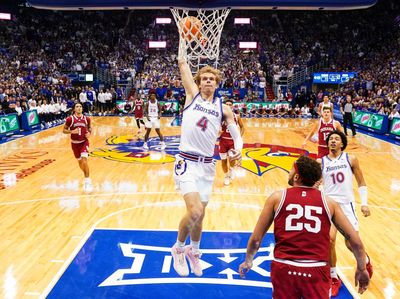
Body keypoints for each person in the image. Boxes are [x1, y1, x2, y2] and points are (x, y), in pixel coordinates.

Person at [238, 155, 370, 299]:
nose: (289, 173)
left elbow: (256, 239)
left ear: (296, 177)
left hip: (284, 268)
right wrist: (362, 268)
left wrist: (249, 260)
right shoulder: (329, 203)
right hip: (316, 269)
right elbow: (355, 241)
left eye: (290, 170)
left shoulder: (276, 198)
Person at [171, 57, 243, 277]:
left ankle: (195, 251)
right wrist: (182, 57)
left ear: (217, 83)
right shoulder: (192, 97)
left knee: (200, 217)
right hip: (186, 163)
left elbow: (234, 129)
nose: (209, 82)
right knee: (195, 210)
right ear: (199, 83)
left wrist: (239, 148)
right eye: (205, 79)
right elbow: (183, 68)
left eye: (212, 79)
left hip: (207, 166)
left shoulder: (224, 108)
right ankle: (178, 248)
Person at [319, 130, 373, 296]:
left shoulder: (351, 159)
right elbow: (317, 184)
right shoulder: (320, 162)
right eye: (330, 139)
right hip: (329, 205)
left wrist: (364, 203)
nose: (333, 141)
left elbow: (361, 182)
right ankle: (333, 277)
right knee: (329, 240)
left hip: (346, 206)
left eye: (336, 139)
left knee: (350, 243)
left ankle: (366, 261)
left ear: (342, 143)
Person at [63, 102, 93, 193]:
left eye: (80, 106)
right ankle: (86, 175)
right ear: (74, 109)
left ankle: (87, 181)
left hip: (84, 142)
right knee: (80, 162)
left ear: (82, 108)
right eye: (77, 107)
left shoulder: (87, 119)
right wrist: (72, 132)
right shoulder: (70, 119)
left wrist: (89, 133)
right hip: (74, 144)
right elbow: (64, 130)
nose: (79, 108)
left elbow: (90, 128)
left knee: (84, 160)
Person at [219, 99, 245, 186]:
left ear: (232, 106)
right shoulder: (220, 116)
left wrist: (238, 138)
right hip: (223, 141)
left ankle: (232, 170)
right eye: (227, 104)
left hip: (232, 141)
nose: (229, 106)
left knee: (232, 159)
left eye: (230, 104)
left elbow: (242, 127)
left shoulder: (236, 116)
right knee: (223, 161)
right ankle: (226, 176)